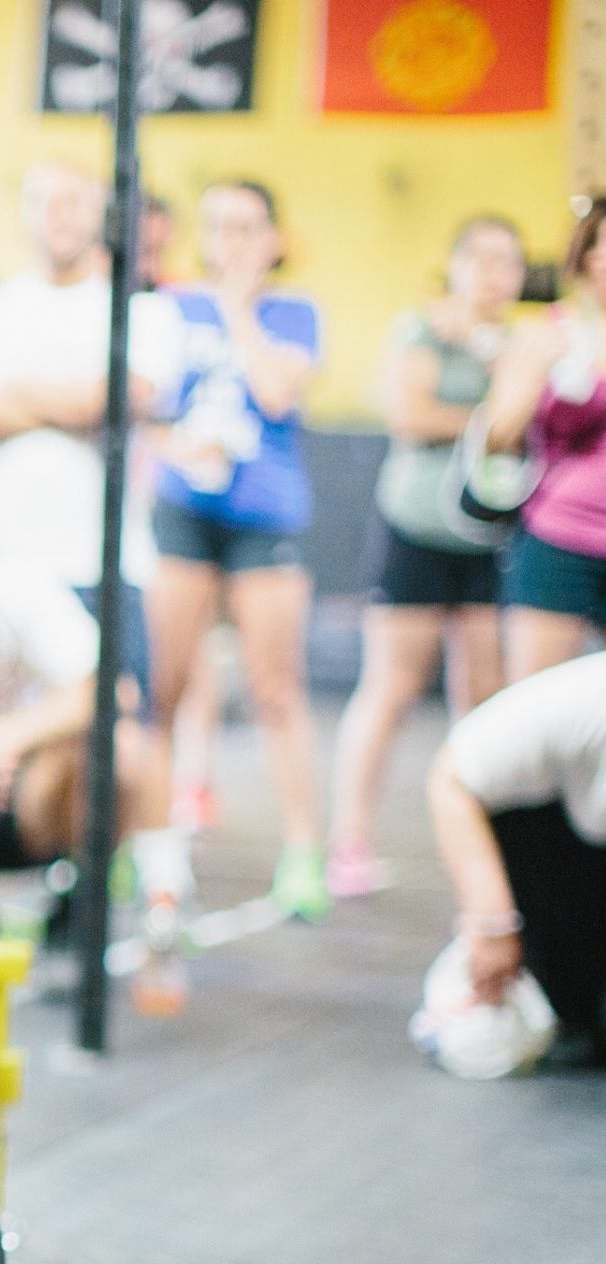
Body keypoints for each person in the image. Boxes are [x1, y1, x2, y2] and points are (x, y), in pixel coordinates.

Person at [327, 217, 526, 898]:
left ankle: (486, 844)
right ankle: (348, 841)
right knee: (391, 689)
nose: (494, 274)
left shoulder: (523, 345)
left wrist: (501, 380)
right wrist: (491, 414)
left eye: (508, 263)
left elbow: (524, 421)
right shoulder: (419, 330)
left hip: (490, 537)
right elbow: (410, 414)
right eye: (482, 259)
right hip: (413, 528)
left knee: (485, 697)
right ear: (456, 265)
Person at [0, 162, 184, 700]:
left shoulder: (141, 312)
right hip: (6, 561)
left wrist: (15, 391)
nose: (57, 215)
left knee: (119, 737)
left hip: (106, 563)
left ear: (100, 215)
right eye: (43, 200)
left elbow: (121, 398)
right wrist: (73, 401)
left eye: (73, 201)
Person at [147, 180, 330, 920]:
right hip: (184, 509)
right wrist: (174, 444)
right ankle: (148, 840)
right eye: (219, 226)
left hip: (265, 514)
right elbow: (147, 406)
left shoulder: (296, 313)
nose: (233, 240)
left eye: (249, 227)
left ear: (275, 239)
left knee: (275, 689)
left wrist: (236, 304)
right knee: (161, 686)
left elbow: (278, 393)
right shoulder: (169, 309)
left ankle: (303, 853)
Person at [0, 569, 192, 1015]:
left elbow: (112, 690)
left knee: (126, 748)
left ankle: (146, 904)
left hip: (15, 798)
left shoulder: (19, 592)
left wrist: (3, 739)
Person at [424, 652, 606, 1068]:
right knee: (580, 1024)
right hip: (554, 843)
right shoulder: (579, 701)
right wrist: (491, 924)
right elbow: (450, 778)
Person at [476, 200, 606, 678]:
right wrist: (530, 376)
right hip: (561, 535)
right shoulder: (551, 332)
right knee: (531, 704)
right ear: (590, 259)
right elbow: (498, 437)